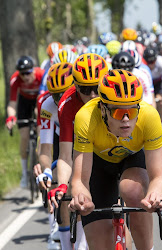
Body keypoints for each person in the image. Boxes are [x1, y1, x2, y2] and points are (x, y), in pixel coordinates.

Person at [69, 69, 162, 249]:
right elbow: (79, 180)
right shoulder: (86, 118)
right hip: (98, 164)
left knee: (133, 191)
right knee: (101, 244)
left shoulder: (149, 116)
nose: (125, 119)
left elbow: (159, 177)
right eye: (117, 112)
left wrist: (155, 195)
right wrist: (81, 197)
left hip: (132, 159)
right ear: (103, 109)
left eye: (131, 111)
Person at [49, 53, 109, 250]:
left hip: (112, 151)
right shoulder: (67, 104)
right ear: (75, 86)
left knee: (118, 210)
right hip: (82, 149)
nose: (92, 95)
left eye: (96, 88)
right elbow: (66, 155)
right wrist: (62, 186)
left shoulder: (114, 98)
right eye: (85, 89)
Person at [34, 62, 74, 250]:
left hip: (87, 142)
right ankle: (65, 240)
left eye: (63, 93)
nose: (59, 99)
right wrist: (48, 170)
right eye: (55, 94)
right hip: (62, 141)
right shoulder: (47, 104)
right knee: (60, 181)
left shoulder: (84, 100)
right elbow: (45, 150)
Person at [6, 56, 45, 188]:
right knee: (24, 136)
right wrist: (11, 118)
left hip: (39, 100)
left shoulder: (41, 75)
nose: (26, 76)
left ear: (33, 70)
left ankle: (43, 170)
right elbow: (12, 103)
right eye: (22, 73)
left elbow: (44, 96)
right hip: (24, 102)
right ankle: (24, 173)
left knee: (40, 135)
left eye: (28, 72)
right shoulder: (15, 79)